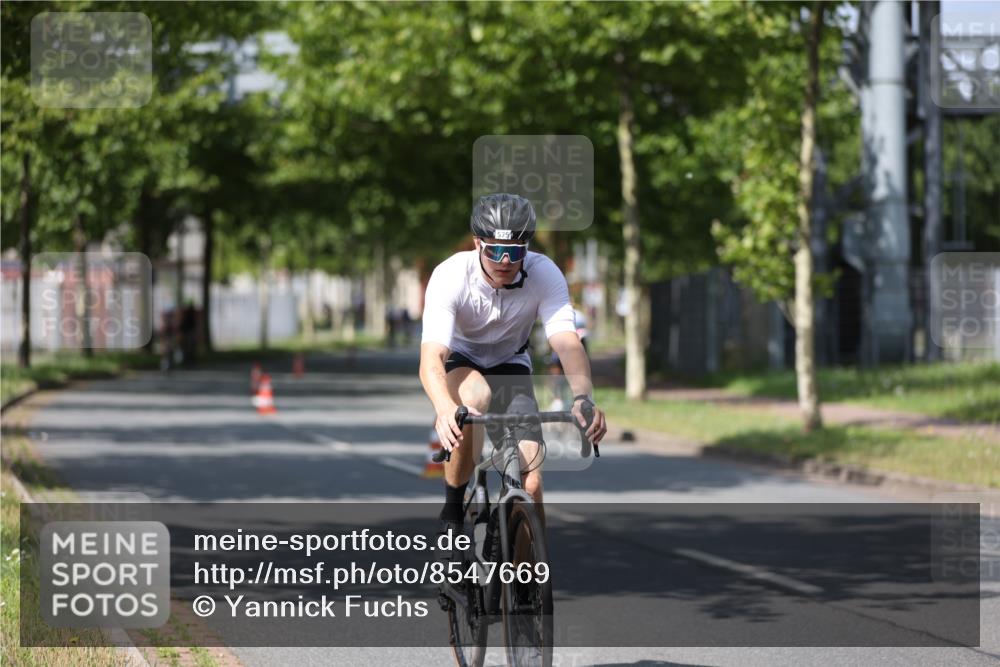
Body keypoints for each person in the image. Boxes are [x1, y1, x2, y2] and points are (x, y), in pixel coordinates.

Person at [419, 193, 607, 530]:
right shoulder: (450, 276)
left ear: (527, 248)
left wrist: (582, 397)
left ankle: (531, 573)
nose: (505, 261)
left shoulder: (544, 273)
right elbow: (432, 354)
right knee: (474, 398)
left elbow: (566, 341)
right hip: (463, 358)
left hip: (511, 363)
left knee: (532, 484)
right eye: (495, 250)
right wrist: (445, 407)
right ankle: (452, 511)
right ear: (478, 244)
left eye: (515, 252)